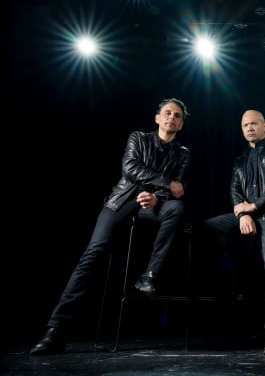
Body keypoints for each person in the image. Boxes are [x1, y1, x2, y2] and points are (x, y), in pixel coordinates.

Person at [30, 97, 191, 356]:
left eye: (178, 115)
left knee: (177, 209)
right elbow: (130, 168)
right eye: (168, 113)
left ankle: (149, 276)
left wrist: (156, 196)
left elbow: (178, 189)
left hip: (152, 205)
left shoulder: (183, 154)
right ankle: (55, 331)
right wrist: (164, 183)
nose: (172, 117)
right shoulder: (138, 138)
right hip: (122, 201)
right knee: (93, 253)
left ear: (181, 124)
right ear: (157, 118)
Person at [201, 110, 265, 356]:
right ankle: (237, 283)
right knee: (209, 228)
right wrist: (243, 215)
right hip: (248, 217)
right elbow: (234, 191)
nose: (250, 127)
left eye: (254, 123)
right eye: (245, 125)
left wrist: (254, 207)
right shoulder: (240, 160)